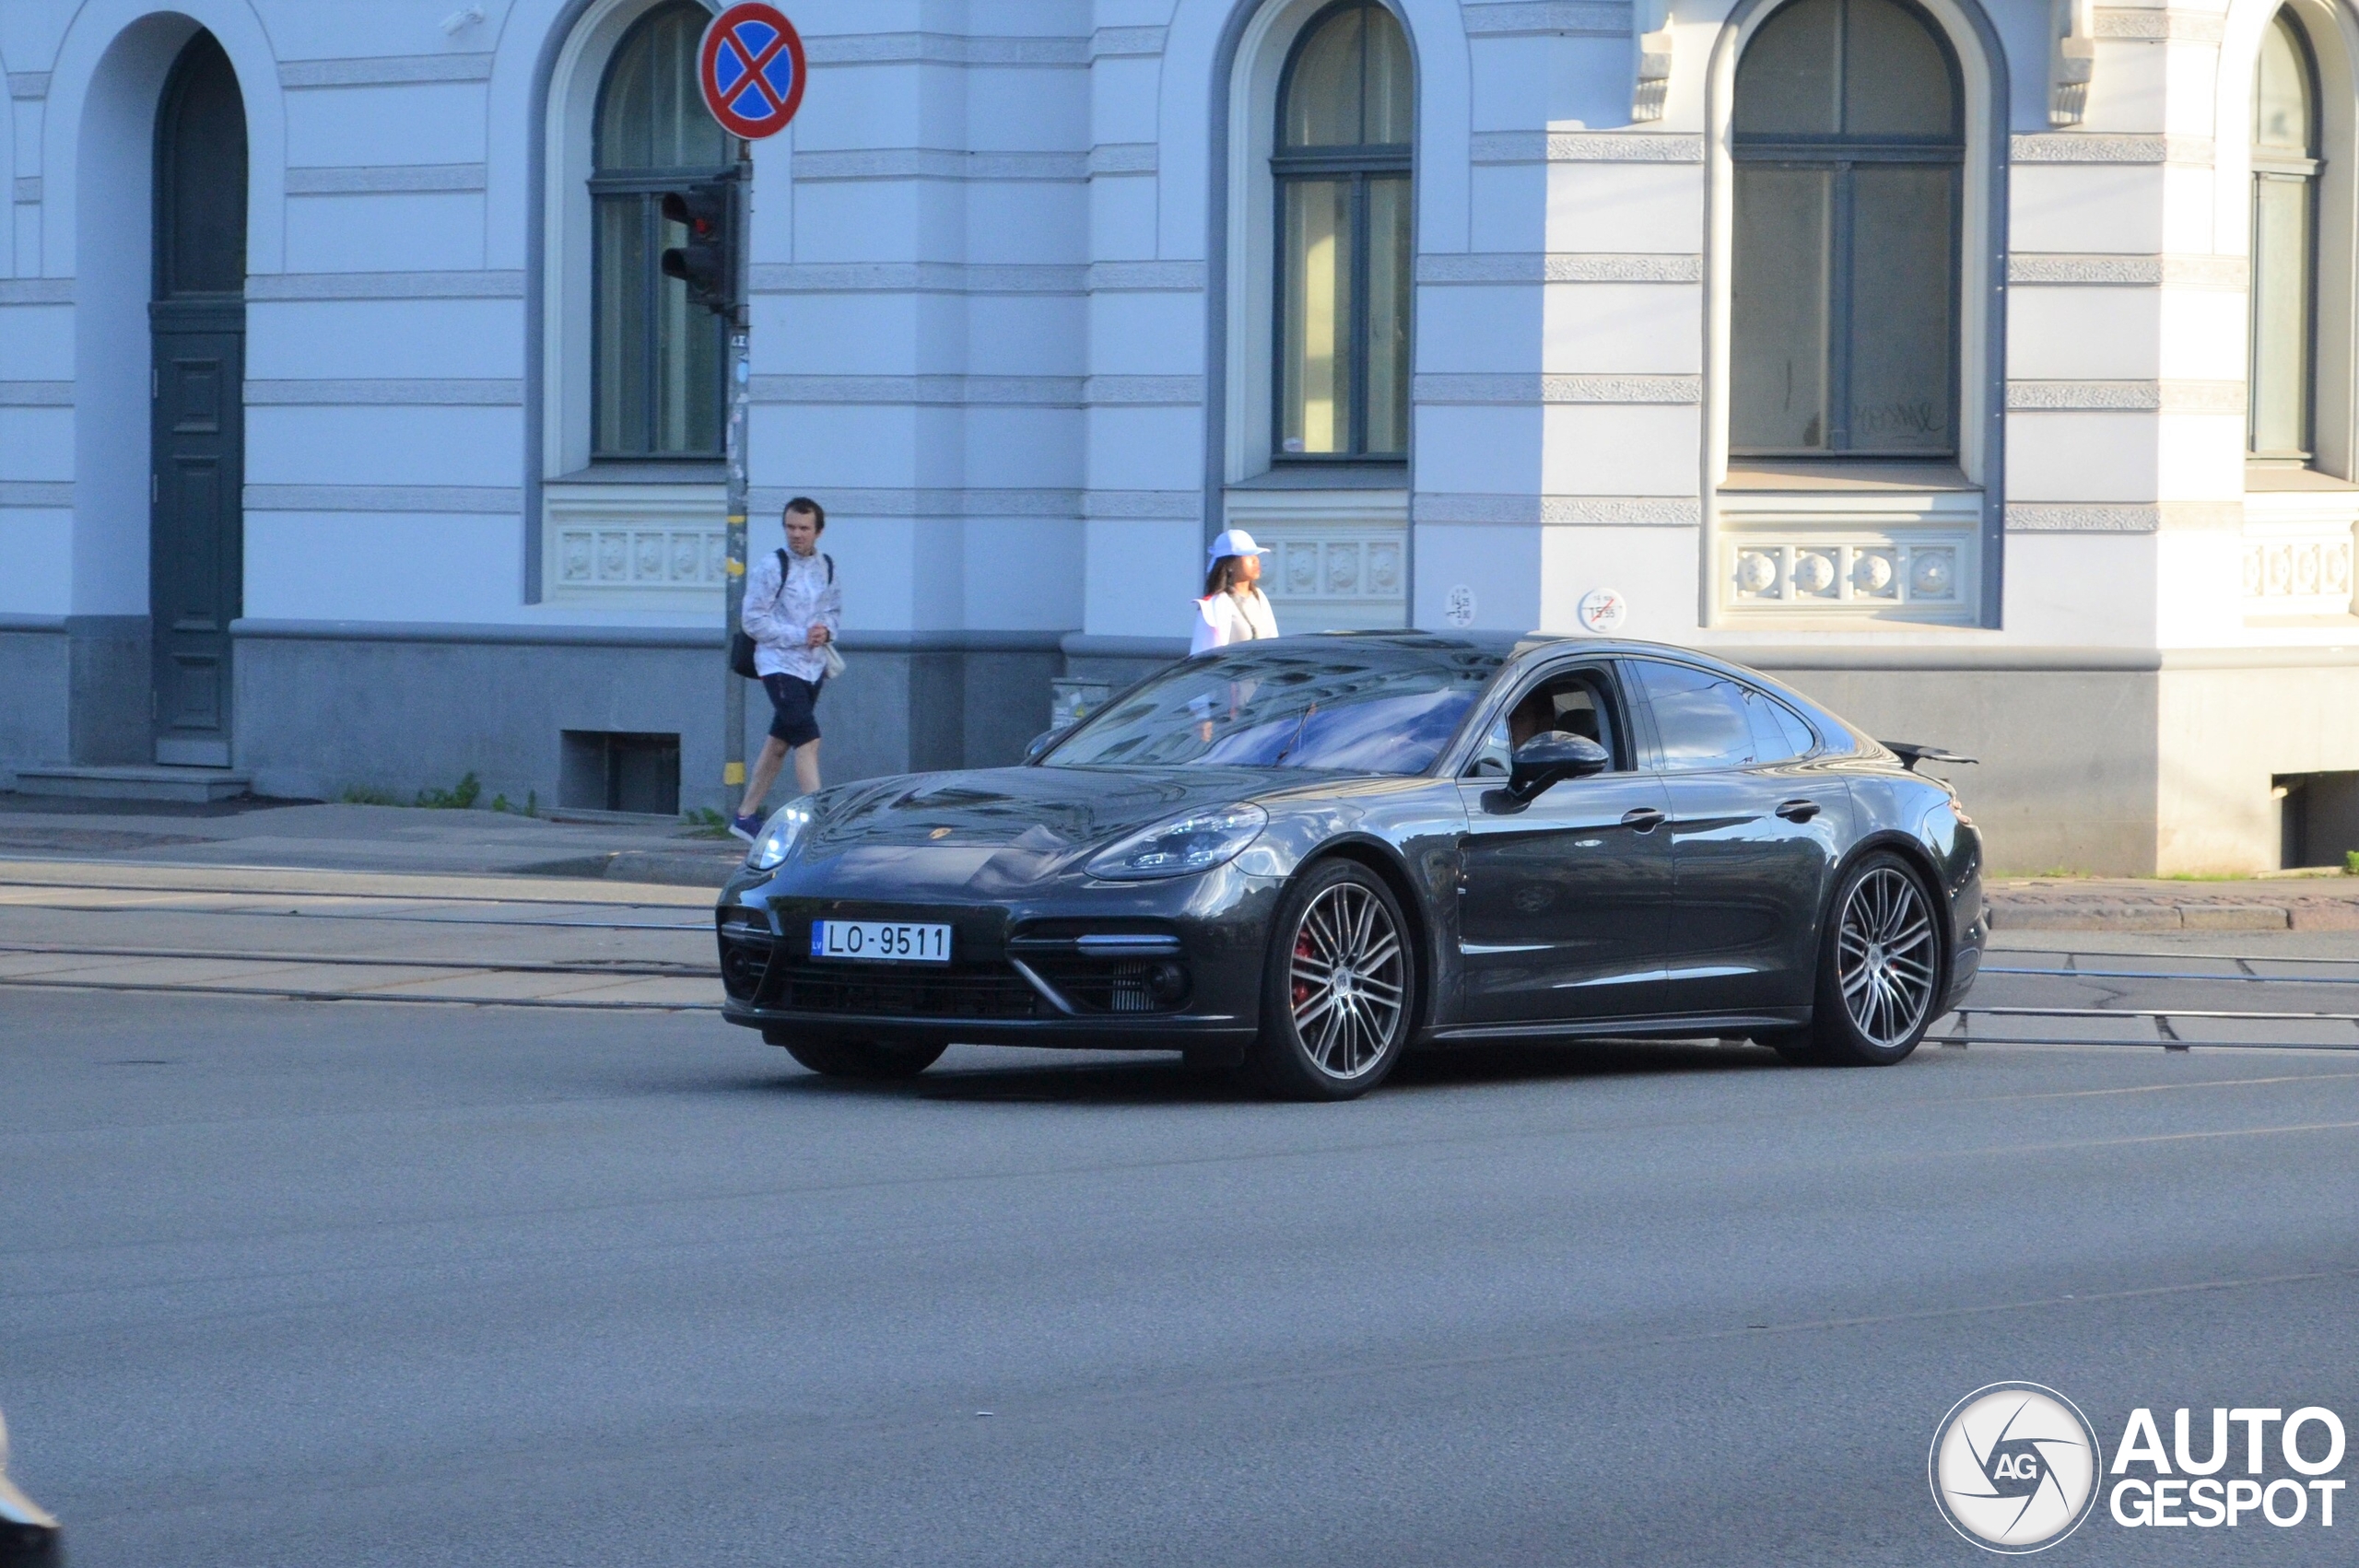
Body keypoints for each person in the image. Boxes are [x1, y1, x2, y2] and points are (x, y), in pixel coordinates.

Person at [731, 497, 842, 842]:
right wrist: (798, 636)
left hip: (812, 667)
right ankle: (817, 823)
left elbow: (834, 610)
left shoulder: (827, 566)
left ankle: (745, 817)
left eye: (804, 528)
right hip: (777, 664)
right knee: (809, 740)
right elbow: (752, 621)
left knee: (779, 744)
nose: (796, 534)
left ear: (818, 532)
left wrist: (827, 631)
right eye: (790, 527)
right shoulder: (771, 566)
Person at [1191, 528, 1280, 654]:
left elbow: (1273, 641)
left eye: (1255, 555)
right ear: (1230, 565)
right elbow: (1203, 655)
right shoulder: (1213, 605)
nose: (1256, 560)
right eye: (1248, 556)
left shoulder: (1259, 597)